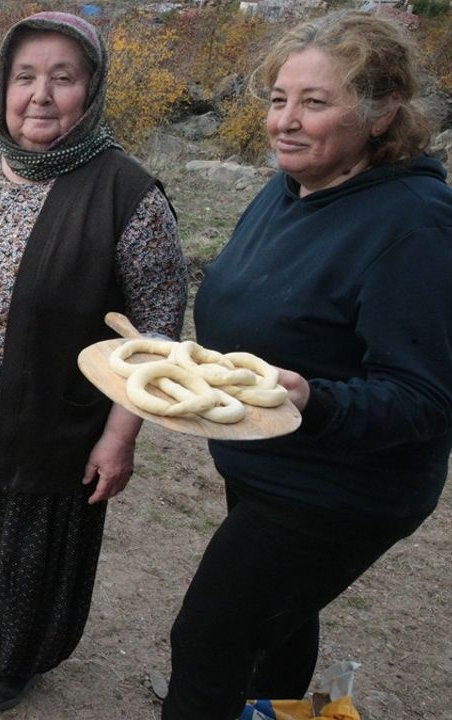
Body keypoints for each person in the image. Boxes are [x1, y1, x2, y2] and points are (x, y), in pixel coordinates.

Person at [0, 12, 187, 712]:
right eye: (25, 77)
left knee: (25, 532)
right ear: (2, 85)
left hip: (36, 401)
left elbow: (159, 331)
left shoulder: (127, 194)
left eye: (62, 78)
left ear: (92, 89)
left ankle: (15, 657)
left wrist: (119, 436)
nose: (39, 95)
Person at [162, 13, 452, 719]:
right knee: (276, 622)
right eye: (278, 99)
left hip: (338, 488)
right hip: (266, 461)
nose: (285, 122)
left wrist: (314, 400)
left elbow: (424, 397)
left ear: (381, 114)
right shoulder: (289, 188)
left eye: (315, 103)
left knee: (207, 641)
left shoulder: (414, 223)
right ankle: (275, 710)